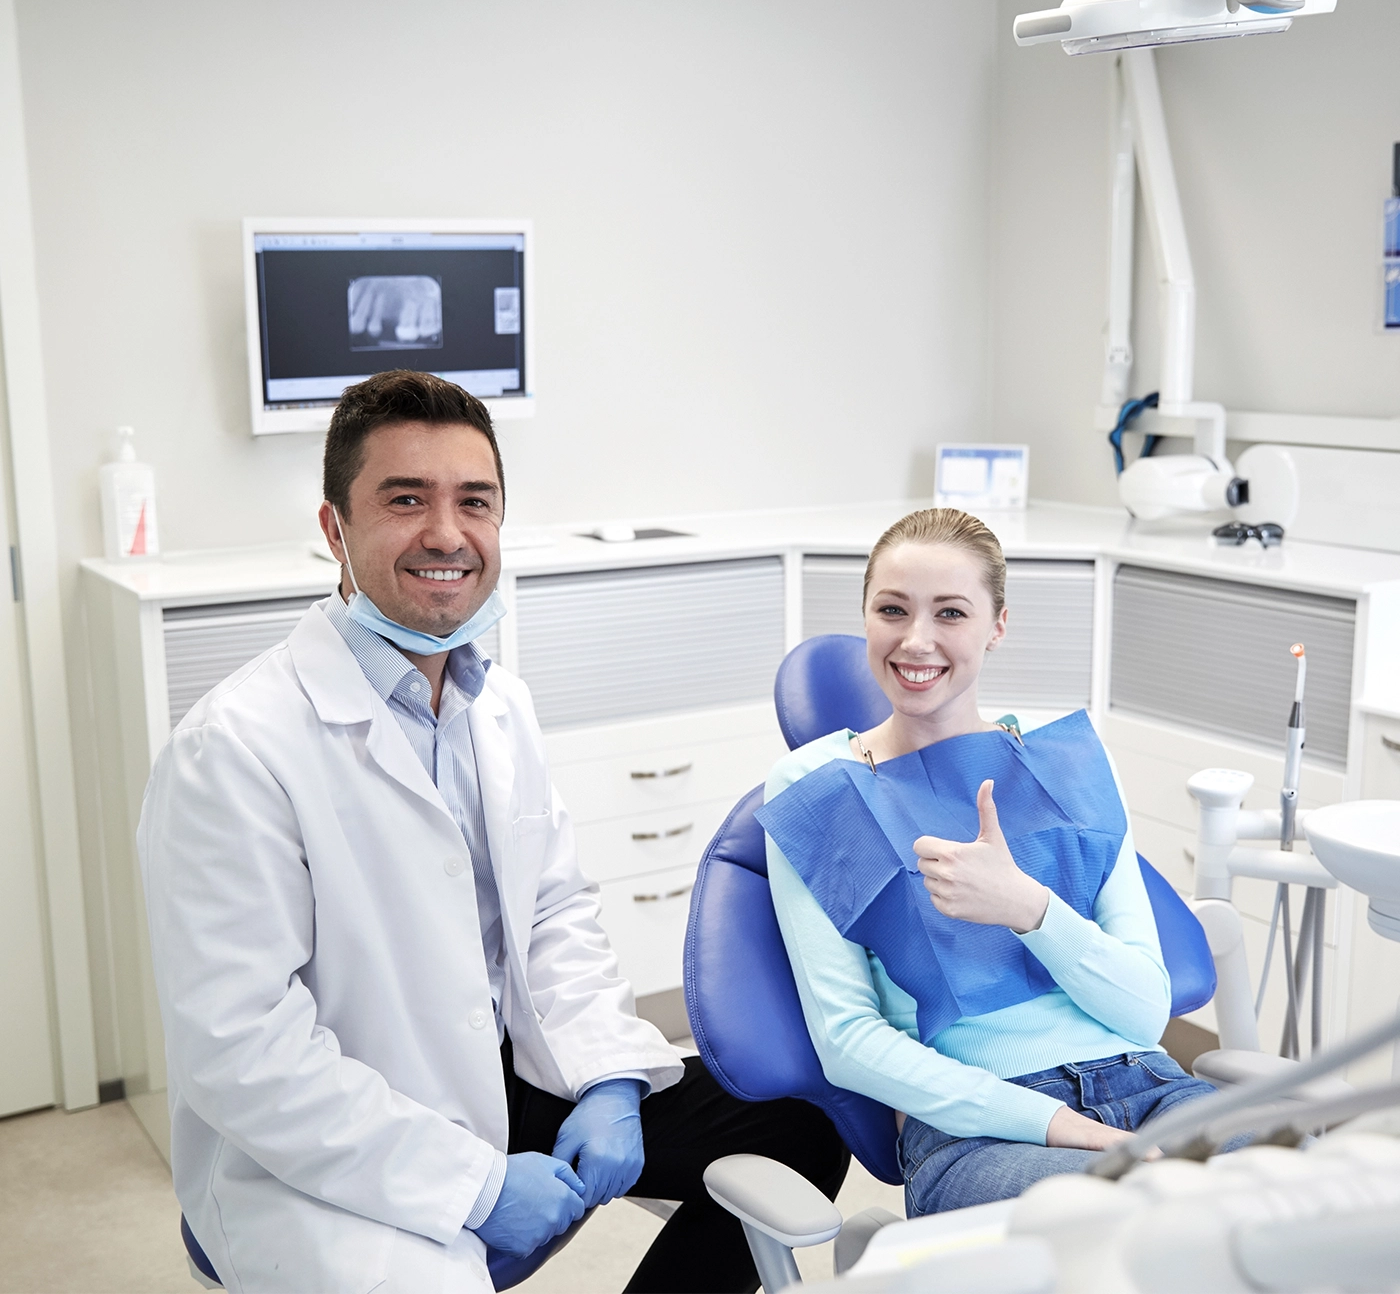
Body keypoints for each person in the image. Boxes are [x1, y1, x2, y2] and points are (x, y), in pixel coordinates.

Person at [137, 369, 847, 1294]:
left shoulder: (497, 704)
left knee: (801, 1122)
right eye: (405, 499)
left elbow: (554, 914)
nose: (447, 533)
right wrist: (472, 1185)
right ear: (334, 531)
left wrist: (608, 1081)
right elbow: (243, 1056)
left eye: (474, 501)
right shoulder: (232, 750)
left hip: (501, 1074)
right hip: (323, 1146)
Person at [756, 507, 1219, 1219]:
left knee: (1308, 1191)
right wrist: (1062, 1128)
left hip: (1153, 1088)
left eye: (951, 613)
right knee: (1131, 1224)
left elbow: (1143, 1009)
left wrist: (1028, 909)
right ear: (867, 619)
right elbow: (848, 1040)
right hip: (981, 1129)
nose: (917, 640)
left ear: (996, 626)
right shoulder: (815, 789)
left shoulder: (1063, 761)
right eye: (892, 610)